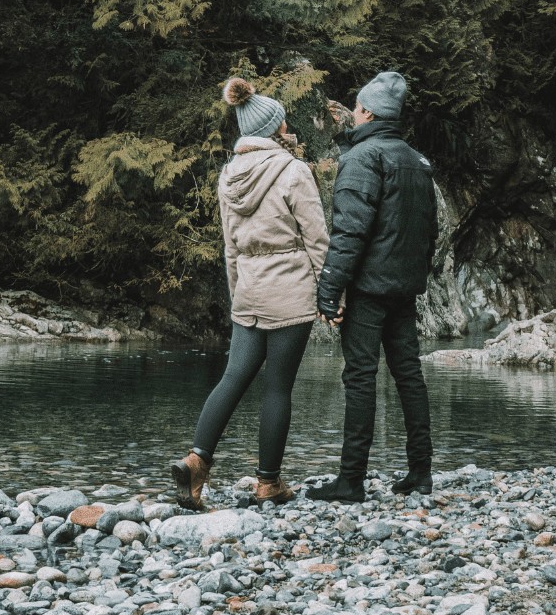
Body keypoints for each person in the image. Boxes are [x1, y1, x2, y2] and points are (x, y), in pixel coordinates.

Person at [171, 78, 329, 509]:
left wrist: (239, 292)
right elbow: (316, 240)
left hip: (249, 289)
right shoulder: (293, 170)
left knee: (233, 377)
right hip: (290, 289)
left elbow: (230, 244)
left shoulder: (227, 174)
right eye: (282, 121)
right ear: (274, 128)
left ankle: (197, 461)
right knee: (277, 388)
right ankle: (268, 483)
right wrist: (332, 296)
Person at [308, 70, 438, 504]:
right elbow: (429, 231)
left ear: (366, 111)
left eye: (358, 107)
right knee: (409, 376)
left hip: (368, 289)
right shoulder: (418, 161)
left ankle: (351, 481)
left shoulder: (363, 158)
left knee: (360, 377)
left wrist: (329, 289)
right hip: (405, 287)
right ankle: (420, 472)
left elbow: (349, 232)